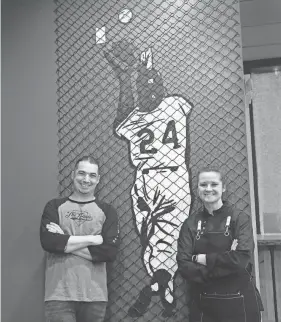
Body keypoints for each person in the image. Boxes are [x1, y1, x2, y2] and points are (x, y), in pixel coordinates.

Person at [105, 42, 193, 317]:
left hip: (144, 180)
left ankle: (159, 284)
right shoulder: (175, 104)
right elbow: (156, 93)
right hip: (173, 177)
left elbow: (124, 114)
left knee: (150, 237)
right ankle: (161, 282)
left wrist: (127, 78)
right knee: (164, 237)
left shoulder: (135, 116)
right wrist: (146, 68)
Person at [177, 167, 263, 322]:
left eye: (213, 184)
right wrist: (226, 261)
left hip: (241, 303)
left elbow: (241, 259)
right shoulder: (190, 224)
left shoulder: (240, 218)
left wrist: (201, 259)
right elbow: (184, 266)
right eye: (203, 185)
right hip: (204, 306)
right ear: (197, 189)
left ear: (223, 188)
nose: (208, 189)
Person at [40, 156, 119, 322]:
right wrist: (92, 239)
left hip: (95, 297)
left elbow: (108, 253)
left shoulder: (107, 211)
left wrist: (64, 240)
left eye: (91, 175)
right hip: (59, 295)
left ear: (98, 179)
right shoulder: (54, 206)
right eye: (81, 174)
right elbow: (49, 242)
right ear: (72, 175)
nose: (86, 179)